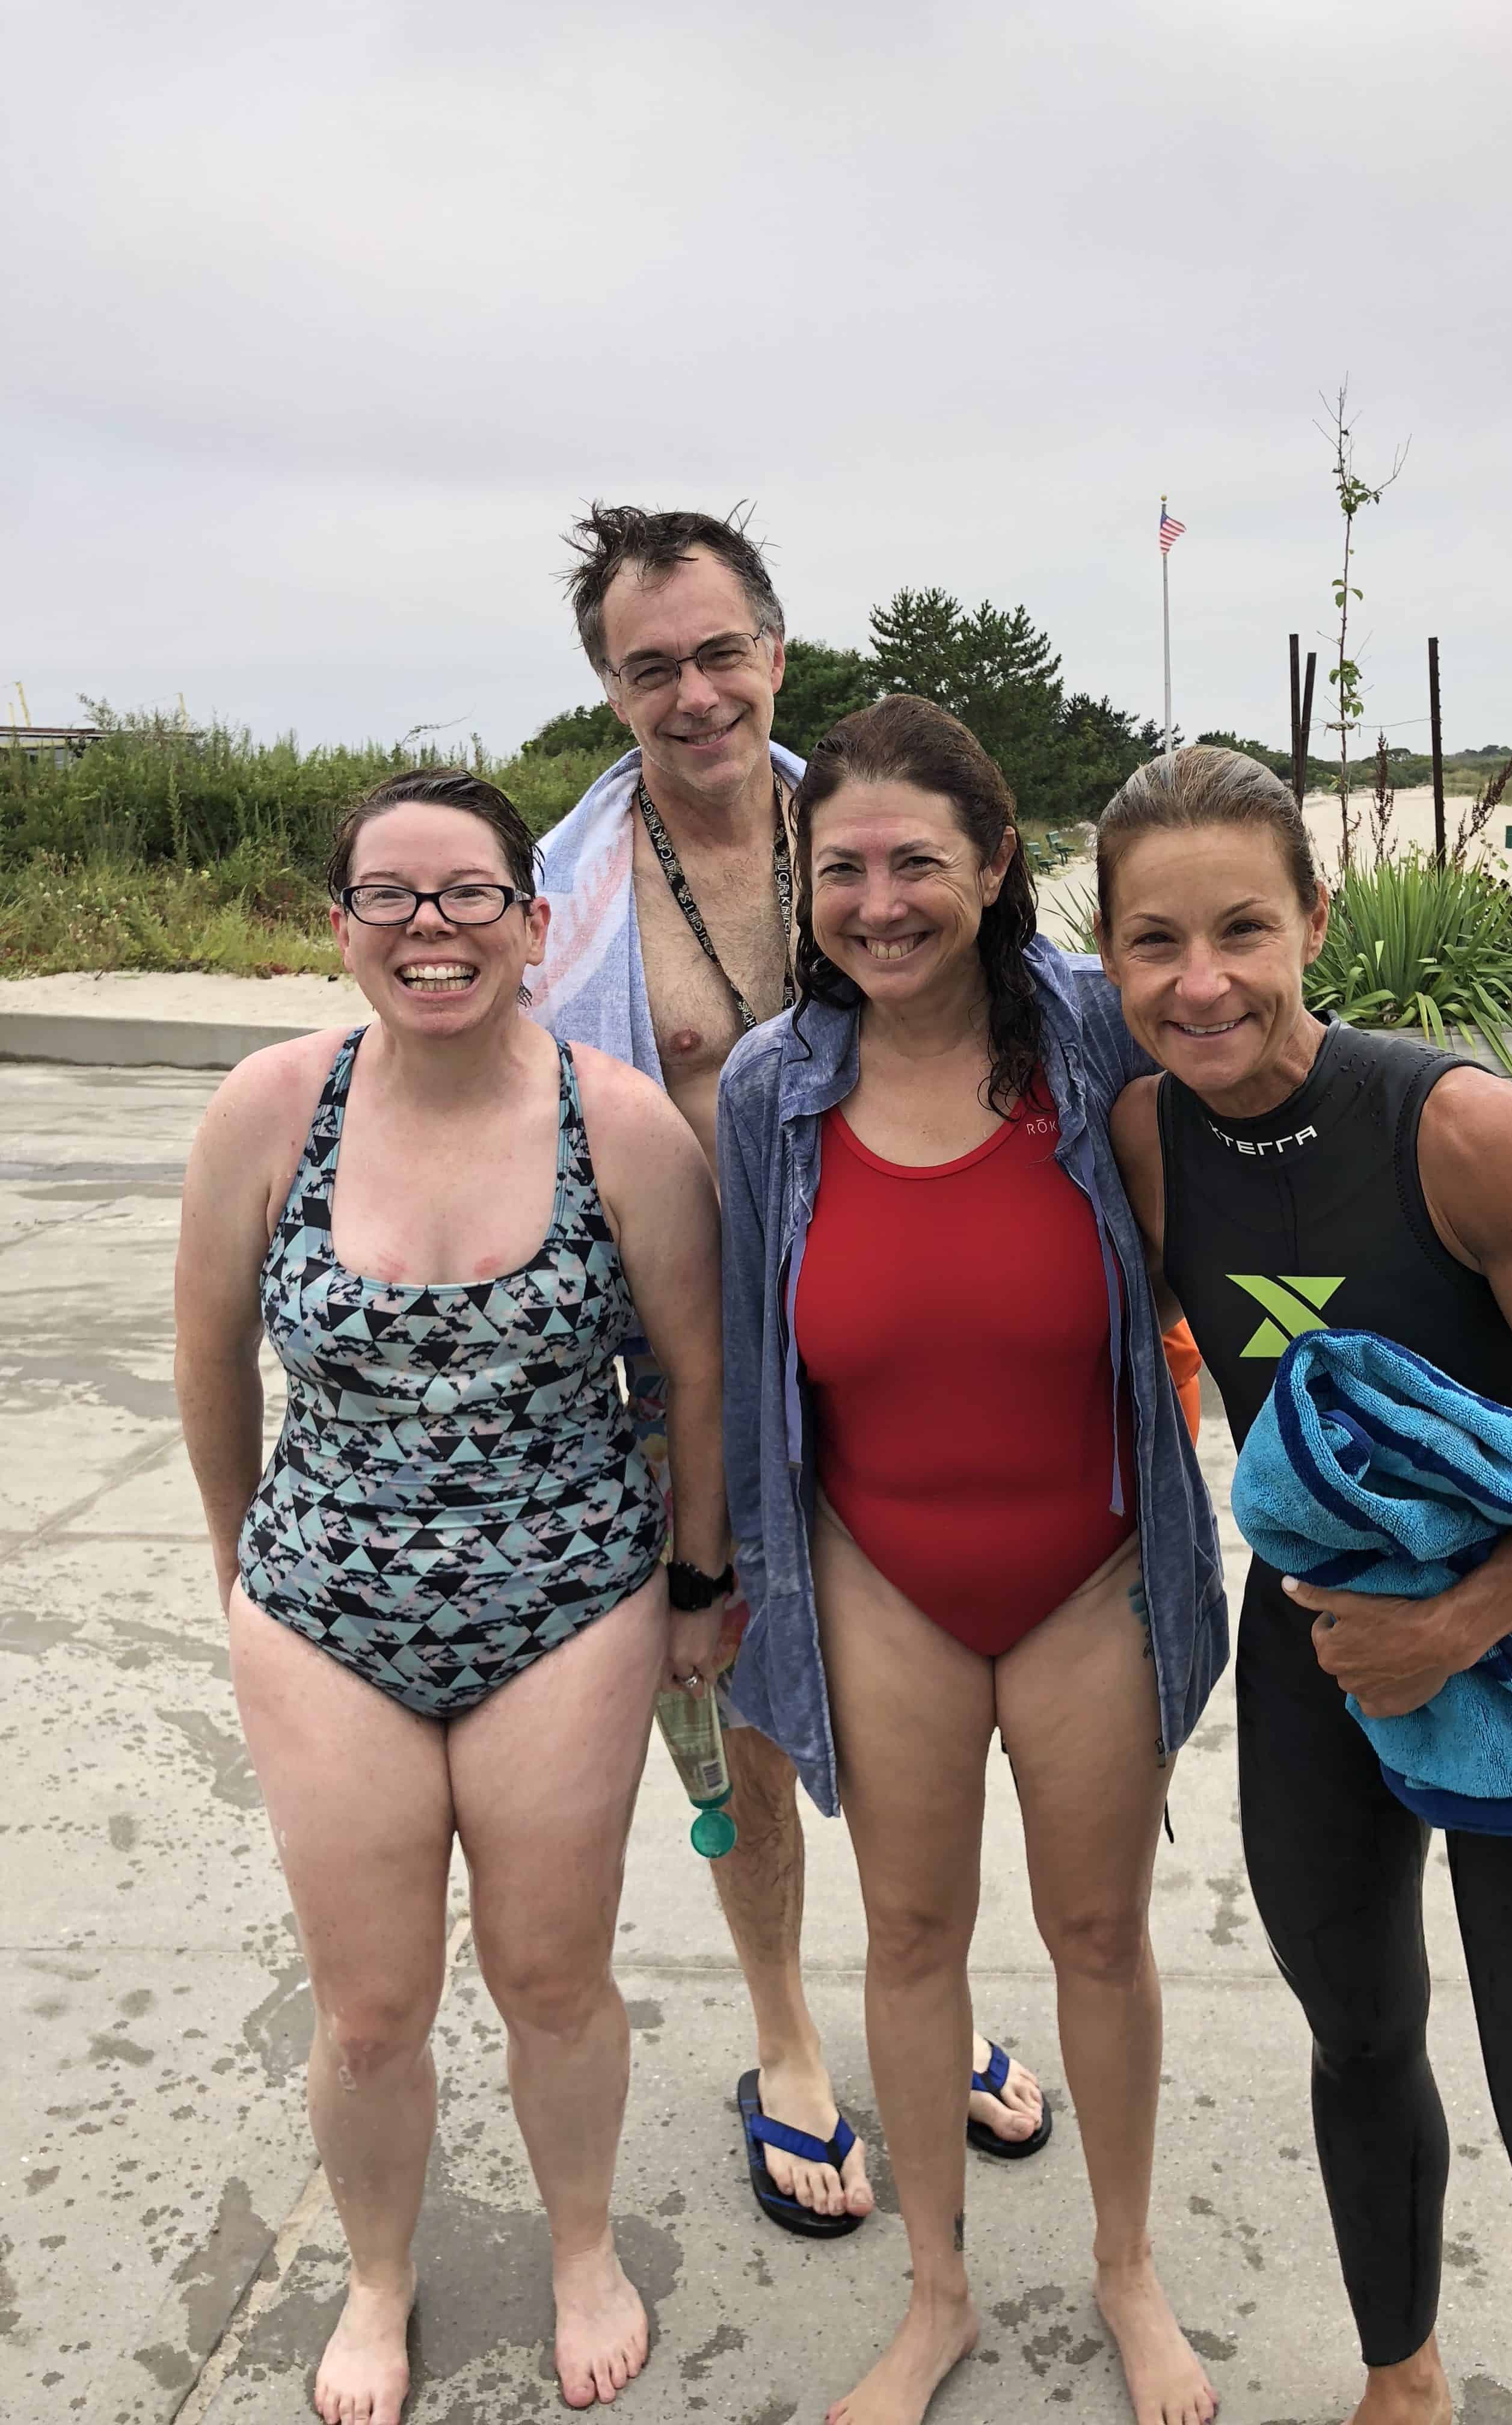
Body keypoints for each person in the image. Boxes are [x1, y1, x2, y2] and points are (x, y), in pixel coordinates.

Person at [1098, 745, 1512, 2425]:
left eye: (1241, 929)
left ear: (1315, 921)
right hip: (1321, 1667)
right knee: (1359, 2044)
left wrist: (1457, 1624)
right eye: (1154, 942)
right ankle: (1402, 2378)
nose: (1200, 981)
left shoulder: (1457, 1128)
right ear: (1111, 953)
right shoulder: (1148, 1138)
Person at [174, 769, 728, 2425]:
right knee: (369, 2006)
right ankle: (377, 2278)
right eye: (393, 898)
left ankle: (578, 2247)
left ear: (535, 923)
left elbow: (694, 1385)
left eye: (470, 895)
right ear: (337, 928)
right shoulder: (272, 1110)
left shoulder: (616, 1122)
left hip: (569, 1601)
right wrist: (237, 1574)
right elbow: (207, 1365)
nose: (434, 928)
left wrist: (700, 1586)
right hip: (324, 1608)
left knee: (553, 1976)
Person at [526, 505, 1054, 2229]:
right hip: (689, 1378)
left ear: (777, 647)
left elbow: (1044, 1014)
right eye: (650, 665)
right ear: (611, 687)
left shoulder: (879, 834)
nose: (694, 693)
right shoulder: (569, 901)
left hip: (899, 1350)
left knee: (932, 1703)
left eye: (720, 650)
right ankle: (785, 2038)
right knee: (739, 1722)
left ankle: (938, 1999)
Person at [718, 696, 1228, 2425]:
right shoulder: (770, 1087)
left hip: (1093, 1568)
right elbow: (733, 1347)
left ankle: (1125, 2267)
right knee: (913, 1934)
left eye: (916, 862)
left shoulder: (1100, 1037)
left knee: (1099, 1931)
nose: (878, 901)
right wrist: (713, 1585)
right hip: (879, 1580)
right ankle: (936, 2293)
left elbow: (1280, 1092)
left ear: (997, 865)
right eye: (839, 867)